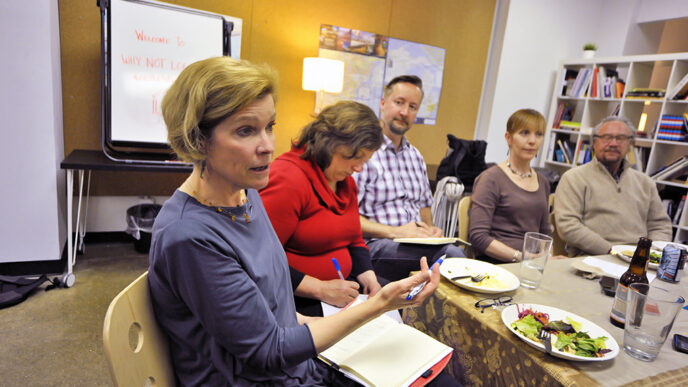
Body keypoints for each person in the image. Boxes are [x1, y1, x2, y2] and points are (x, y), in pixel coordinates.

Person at [148, 57, 449, 386]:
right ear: (197, 139)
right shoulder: (189, 236)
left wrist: (339, 327)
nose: (267, 146)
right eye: (246, 130)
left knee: (427, 371)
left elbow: (273, 308)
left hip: (293, 366)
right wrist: (376, 307)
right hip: (262, 378)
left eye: (270, 126)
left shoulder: (245, 196)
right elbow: (267, 351)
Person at [260, 101, 384, 316]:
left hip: (340, 293)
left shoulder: (346, 183)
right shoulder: (289, 178)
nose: (358, 168)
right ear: (328, 143)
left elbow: (355, 240)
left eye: (365, 160)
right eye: (354, 157)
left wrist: (367, 273)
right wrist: (320, 289)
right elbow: (261, 256)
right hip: (294, 298)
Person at [354, 75, 465, 281]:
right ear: (383, 103)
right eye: (399, 103)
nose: (405, 112)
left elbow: (424, 208)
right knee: (453, 257)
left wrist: (431, 230)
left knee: (455, 257)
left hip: (416, 244)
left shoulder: (416, 157)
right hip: (377, 244)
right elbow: (347, 218)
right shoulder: (363, 151)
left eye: (413, 107)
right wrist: (396, 232)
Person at [554, 116, 672, 257]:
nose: (613, 143)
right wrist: (613, 251)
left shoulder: (645, 182)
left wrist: (650, 254)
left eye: (621, 138)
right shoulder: (574, 178)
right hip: (593, 259)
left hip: (638, 261)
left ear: (630, 144)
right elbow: (568, 226)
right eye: (607, 137)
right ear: (594, 142)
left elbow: (660, 225)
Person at [469, 109, 563, 263]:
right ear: (509, 137)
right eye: (525, 133)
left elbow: (545, 234)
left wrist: (547, 260)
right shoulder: (491, 179)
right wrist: (523, 258)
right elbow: (478, 237)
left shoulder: (543, 181)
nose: (532, 141)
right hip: (498, 263)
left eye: (538, 134)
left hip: (532, 264)